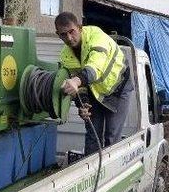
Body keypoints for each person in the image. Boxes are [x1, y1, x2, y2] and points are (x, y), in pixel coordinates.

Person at [55, 12, 133, 155]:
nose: (69, 38)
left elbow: (95, 67)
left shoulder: (97, 37)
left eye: (71, 32)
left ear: (80, 27)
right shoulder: (66, 56)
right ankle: (92, 172)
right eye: (63, 34)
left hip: (118, 88)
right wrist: (83, 104)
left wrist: (76, 81)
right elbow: (81, 89)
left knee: (111, 135)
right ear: (58, 35)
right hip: (95, 91)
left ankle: (110, 173)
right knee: (92, 135)